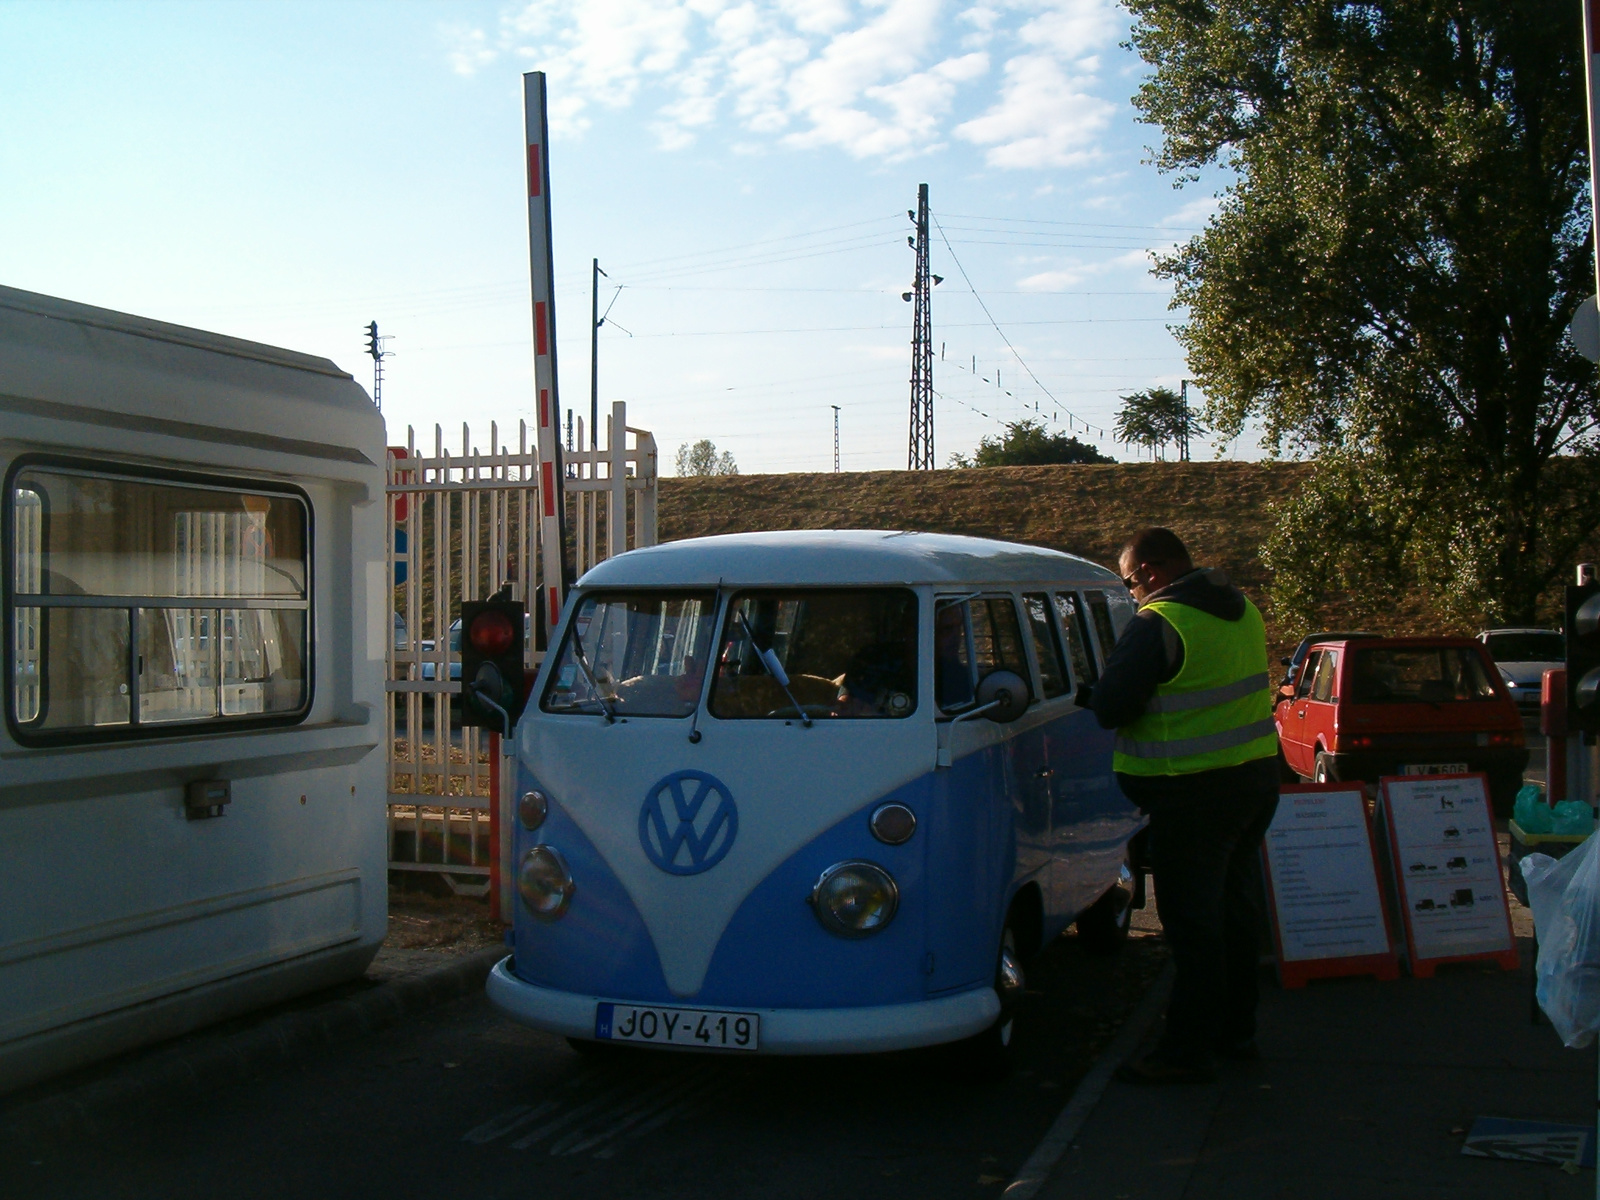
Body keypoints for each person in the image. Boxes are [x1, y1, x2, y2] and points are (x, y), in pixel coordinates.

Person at [1085, 527, 1280, 1084]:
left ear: (1150, 571)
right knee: (1234, 911)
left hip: (1192, 794)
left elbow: (1111, 707)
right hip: (1253, 782)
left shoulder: (1159, 622)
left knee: (1193, 927)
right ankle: (1236, 1032)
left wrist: (1098, 693)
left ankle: (1184, 1052)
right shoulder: (1242, 608)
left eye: (1129, 582)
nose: (1131, 594)